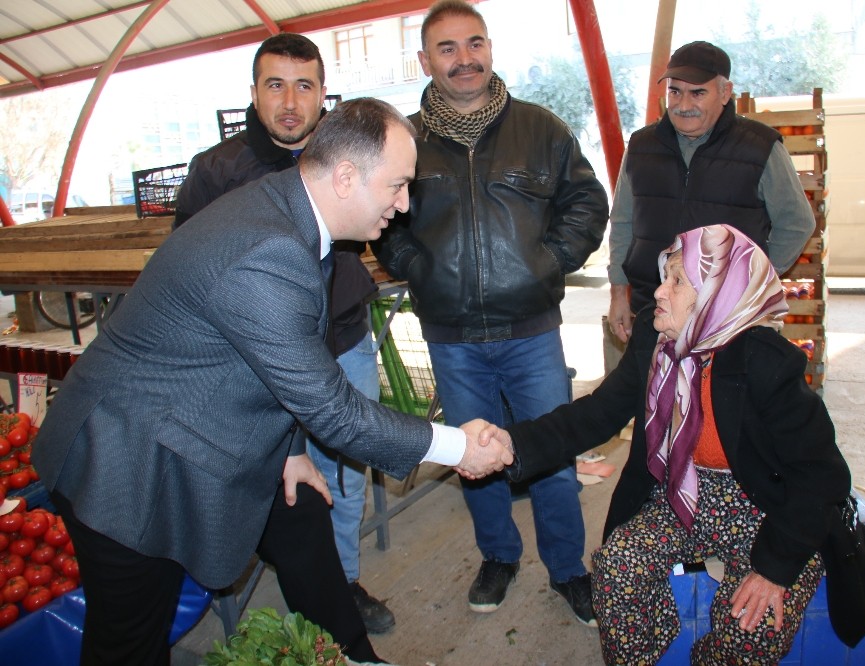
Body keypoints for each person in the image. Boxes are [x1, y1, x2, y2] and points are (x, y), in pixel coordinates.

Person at [32, 98, 513, 666]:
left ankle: (353, 656)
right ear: (345, 177)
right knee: (131, 640)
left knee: (300, 516)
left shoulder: (291, 211)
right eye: (398, 185)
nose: (404, 204)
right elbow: (332, 407)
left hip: (202, 424)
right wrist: (457, 447)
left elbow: (275, 358)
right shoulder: (268, 250)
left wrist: (290, 450)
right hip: (129, 461)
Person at [493, 224, 865, 664]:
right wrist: (511, 444)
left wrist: (774, 569)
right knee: (617, 568)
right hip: (681, 492)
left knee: (751, 625)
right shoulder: (656, 341)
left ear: (717, 293)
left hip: (762, 506)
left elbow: (821, 477)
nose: (659, 291)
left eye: (678, 281)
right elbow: (595, 414)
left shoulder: (765, 362)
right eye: (665, 276)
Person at [373, 0, 608, 626]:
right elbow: (384, 218)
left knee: (551, 454)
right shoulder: (405, 141)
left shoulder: (541, 129)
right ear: (425, 60)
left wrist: (547, 262)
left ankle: (568, 568)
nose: (464, 58)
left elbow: (587, 202)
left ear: (490, 48)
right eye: (447, 48)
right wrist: (418, 267)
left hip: (532, 332)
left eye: (474, 43)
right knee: (471, 457)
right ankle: (499, 556)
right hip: (452, 338)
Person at [174, 33, 395, 634]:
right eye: (276, 85)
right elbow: (188, 266)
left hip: (341, 344)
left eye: (304, 86)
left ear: (324, 94)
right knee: (264, 474)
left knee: (343, 472)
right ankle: (285, 569)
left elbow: (393, 224)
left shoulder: (346, 159)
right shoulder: (216, 171)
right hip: (252, 362)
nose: (291, 102)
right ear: (254, 93)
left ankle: (343, 584)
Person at [607, 40, 816, 344]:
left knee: (726, 378)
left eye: (697, 93)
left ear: (725, 92)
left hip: (731, 319)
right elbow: (622, 222)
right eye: (675, 92)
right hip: (653, 310)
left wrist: (751, 283)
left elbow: (797, 223)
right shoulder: (641, 147)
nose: (683, 105)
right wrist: (618, 293)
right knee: (649, 377)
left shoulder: (760, 148)